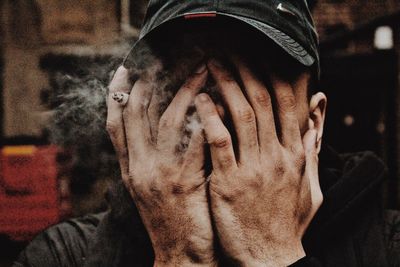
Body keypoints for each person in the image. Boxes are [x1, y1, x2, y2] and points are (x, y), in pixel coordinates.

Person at [13, 1, 400, 266]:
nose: (216, 124)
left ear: (313, 125)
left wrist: (272, 255)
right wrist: (180, 256)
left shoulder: (388, 247)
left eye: (254, 89)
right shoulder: (63, 255)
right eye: (187, 87)